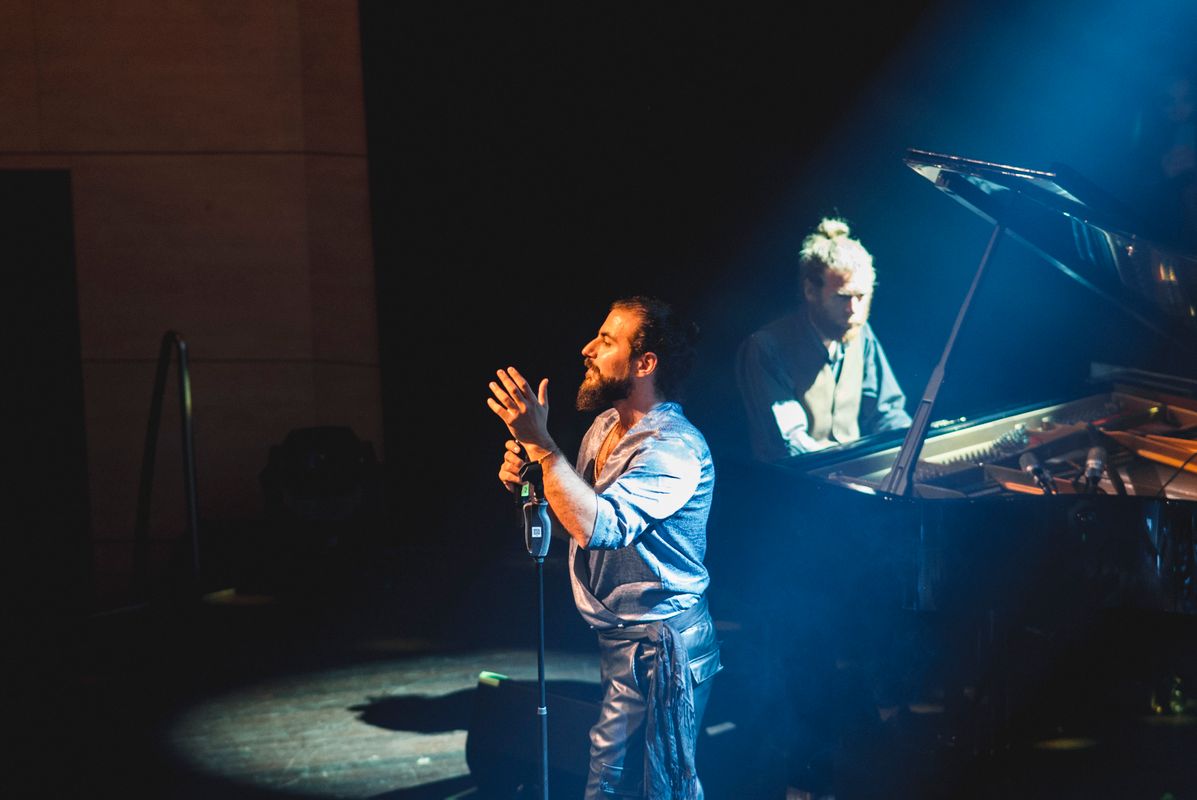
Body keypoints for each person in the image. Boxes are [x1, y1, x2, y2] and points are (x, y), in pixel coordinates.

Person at [487, 295, 721, 800]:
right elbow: (576, 519)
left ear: (644, 363)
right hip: (622, 644)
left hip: (662, 648)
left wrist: (542, 446)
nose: (588, 348)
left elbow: (601, 526)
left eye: (607, 340)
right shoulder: (605, 428)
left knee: (634, 787)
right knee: (623, 783)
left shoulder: (673, 448)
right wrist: (531, 480)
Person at [735, 217, 911, 463]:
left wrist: (912, 455)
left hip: (850, 473)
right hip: (796, 481)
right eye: (842, 297)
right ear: (810, 291)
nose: (853, 309)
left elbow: (887, 412)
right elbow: (791, 440)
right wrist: (845, 470)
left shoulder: (862, 335)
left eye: (862, 296)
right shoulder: (766, 347)